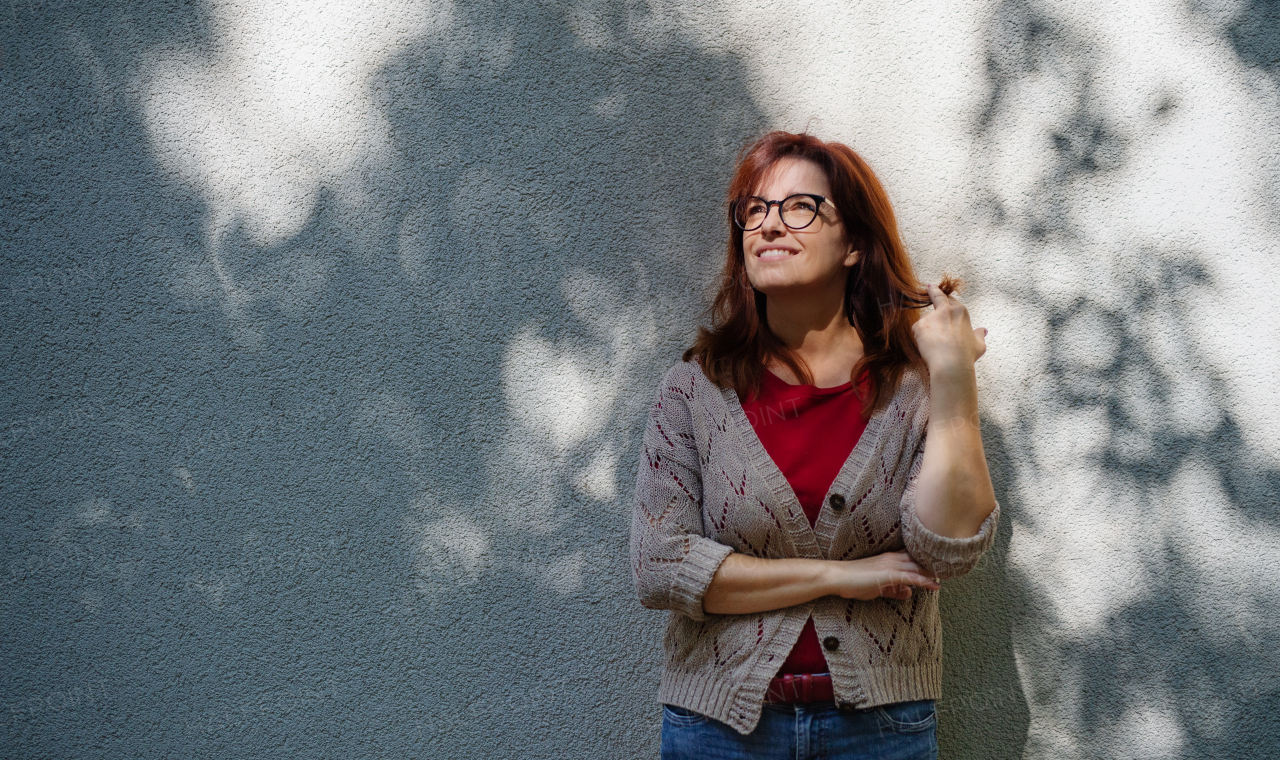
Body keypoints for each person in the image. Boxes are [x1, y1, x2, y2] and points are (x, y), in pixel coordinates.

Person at [629, 131, 1000, 760]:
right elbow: (661, 567)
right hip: (717, 729)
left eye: (800, 207)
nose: (770, 226)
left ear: (855, 242)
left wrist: (955, 380)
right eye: (755, 210)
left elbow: (949, 548)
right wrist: (841, 577)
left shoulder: (911, 391)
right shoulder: (695, 390)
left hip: (881, 729)